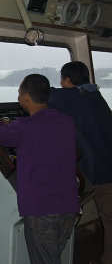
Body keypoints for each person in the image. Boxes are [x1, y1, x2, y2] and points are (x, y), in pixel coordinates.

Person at [0, 74, 80, 264]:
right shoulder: (66, 121)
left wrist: (2, 122)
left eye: (19, 93)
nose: (18, 97)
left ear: (27, 97)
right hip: (68, 207)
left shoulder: (23, 127)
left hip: (42, 210)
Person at [48, 61, 112, 264]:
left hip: (96, 173)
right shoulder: (96, 96)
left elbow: (44, 93)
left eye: (62, 79)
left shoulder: (72, 96)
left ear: (67, 80)